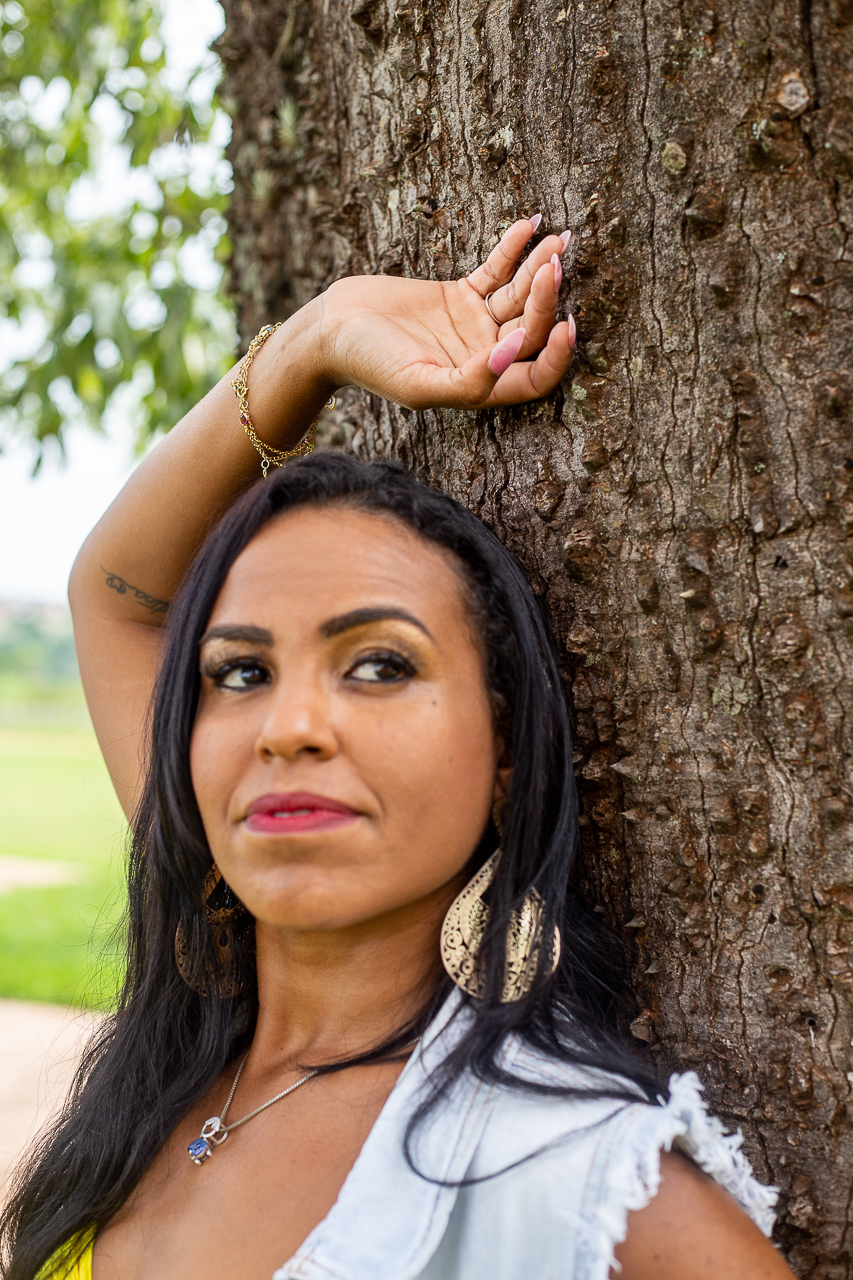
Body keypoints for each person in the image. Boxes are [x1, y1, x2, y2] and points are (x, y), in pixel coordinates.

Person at [1, 218, 793, 1280]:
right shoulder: (172, 1078)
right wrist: (317, 337)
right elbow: (115, 592)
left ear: (507, 750)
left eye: (379, 664)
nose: (287, 725)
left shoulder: (580, 1183)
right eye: (238, 672)